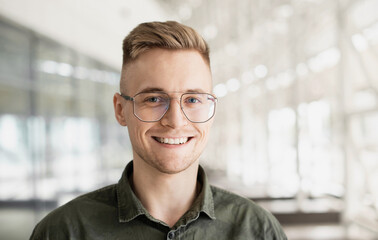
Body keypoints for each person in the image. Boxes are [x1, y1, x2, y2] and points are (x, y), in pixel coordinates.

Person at [30, 21, 287, 240]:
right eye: (154, 99)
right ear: (121, 110)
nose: (175, 121)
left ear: (212, 109)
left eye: (193, 100)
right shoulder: (64, 231)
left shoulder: (257, 230)